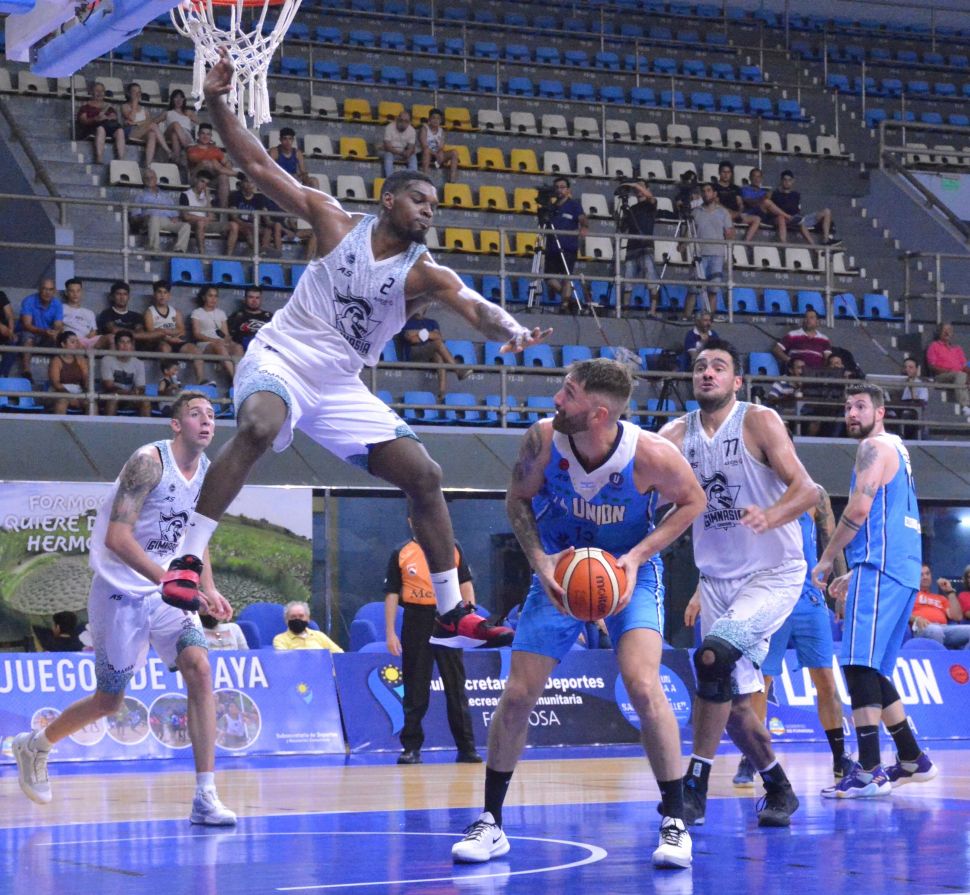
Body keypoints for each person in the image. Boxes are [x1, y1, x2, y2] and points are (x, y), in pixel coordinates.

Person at [160, 49, 549, 651]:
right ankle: (187, 559)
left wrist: (512, 330)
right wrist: (215, 101)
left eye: (435, 205)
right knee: (260, 425)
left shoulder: (425, 274)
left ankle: (451, 610)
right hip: (282, 357)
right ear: (389, 200)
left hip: (340, 384)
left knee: (425, 474)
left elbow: (476, 307)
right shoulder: (334, 222)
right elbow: (257, 164)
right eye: (420, 200)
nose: (429, 210)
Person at [452, 358, 706, 869]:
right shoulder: (543, 440)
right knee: (518, 694)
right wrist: (540, 560)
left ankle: (675, 820)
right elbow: (517, 500)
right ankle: (491, 821)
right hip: (560, 574)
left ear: (598, 414)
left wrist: (637, 556)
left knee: (643, 685)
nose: (556, 400)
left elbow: (693, 502)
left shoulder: (651, 455)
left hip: (628, 576)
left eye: (568, 394)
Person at [12, 392, 237, 826]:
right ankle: (36, 744)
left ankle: (205, 796)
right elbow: (117, 538)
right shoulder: (148, 463)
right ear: (176, 425)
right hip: (120, 590)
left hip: (166, 592)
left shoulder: (207, 473)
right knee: (109, 701)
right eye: (195, 414)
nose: (206, 421)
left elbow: (197, 536)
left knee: (199, 667)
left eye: (211, 415)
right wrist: (167, 579)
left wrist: (206, 585)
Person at [658, 339, 817, 827]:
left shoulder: (758, 421)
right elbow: (649, 498)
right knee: (735, 706)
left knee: (712, 657)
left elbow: (808, 490)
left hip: (773, 572)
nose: (707, 373)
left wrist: (771, 515)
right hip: (716, 581)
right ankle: (780, 788)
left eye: (719, 366)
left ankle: (695, 787)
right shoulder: (673, 435)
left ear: (737, 380)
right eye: (700, 366)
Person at [812, 384, 938, 796]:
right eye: (847, 406)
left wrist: (829, 558)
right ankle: (912, 757)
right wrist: (858, 570)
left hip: (883, 568)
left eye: (861, 406)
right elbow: (887, 517)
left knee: (856, 664)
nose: (851, 413)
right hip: (900, 567)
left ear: (880, 412)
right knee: (874, 669)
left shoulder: (873, 447)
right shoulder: (899, 450)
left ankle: (869, 771)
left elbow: (860, 509)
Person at [720, 483, 852, 786]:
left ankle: (840, 757)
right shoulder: (755, 489)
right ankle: (752, 756)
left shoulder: (816, 493)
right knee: (761, 683)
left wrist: (841, 593)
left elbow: (832, 540)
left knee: (826, 681)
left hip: (809, 599)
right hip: (770, 596)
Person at [384, 520, 481, 765]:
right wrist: (390, 633)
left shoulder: (451, 547)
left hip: (449, 616)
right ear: (411, 522)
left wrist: (469, 619)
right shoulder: (401, 552)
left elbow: (465, 583)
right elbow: (392, 594)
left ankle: (467, 748)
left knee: (455, 686)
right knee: (415, 687)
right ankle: (411, 748)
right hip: (416, 620)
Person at [685, 183, 734, 320]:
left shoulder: (723, 213)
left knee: (713, 290)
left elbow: (729, 234)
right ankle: (686, 316)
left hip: (717, 255)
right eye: (703, 191)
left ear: (715, 193)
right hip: (699, 255)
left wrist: (730, 254)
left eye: (708, 190)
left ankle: (709, 320)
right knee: (693, 289)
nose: (706, 193)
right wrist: (682, 245)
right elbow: (689, 232)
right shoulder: (696, 212)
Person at [143, 280, 204, 382]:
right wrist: (170, 335)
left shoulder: (175, 312)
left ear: (169, 295)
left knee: (195, 350)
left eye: (165, 292)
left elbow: (182, 331)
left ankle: (201, 381)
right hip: (158, 342)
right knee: (165, 348)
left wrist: (163, 331)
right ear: (154, 294)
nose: (162, 295)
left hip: (175, 341)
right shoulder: (149, 312)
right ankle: (171, 382)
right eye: (159, 292)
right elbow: (152, 333)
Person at [543, 177, 588, 315]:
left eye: (562, 187)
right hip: (552, 246)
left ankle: (564, 305)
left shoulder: (574, 205)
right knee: (548, 278)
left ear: (568, 190)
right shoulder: (551, 207)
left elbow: (583, 220)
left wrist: (584, 228)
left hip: (568, 246)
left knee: (566, 276)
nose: (559, 190)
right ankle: (572, 300)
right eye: (557, 187)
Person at [400, 314, 470, 402]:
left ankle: (442, 391)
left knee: (438, 356)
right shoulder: (407, 322)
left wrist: (418, 333)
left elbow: (438, 336)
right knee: (438, 343)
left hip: (429, 357)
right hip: (414, 354)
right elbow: (412, 339)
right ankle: (457, 370)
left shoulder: (432, 322)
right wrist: (429, 335)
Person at [617, 179, 659, 316]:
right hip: (632, 247)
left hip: (646, 247)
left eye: (641, 187)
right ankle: (625, 310)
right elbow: (623, 228)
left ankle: (652, 310)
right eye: (636, 189)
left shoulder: (650, 204)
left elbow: (651, 197)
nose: (638, 190)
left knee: (651, 279)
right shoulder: (632, 208)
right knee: (628, 280)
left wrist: (634, 185)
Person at [131, 167, 191, 255]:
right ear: (143, 181)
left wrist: (175, 217)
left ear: (156, 179)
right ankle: (154, 250)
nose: (149, 179)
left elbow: (175, 214)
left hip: (166, 221)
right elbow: (134, 218)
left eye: (152, 177)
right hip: (150, 220)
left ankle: (179, 251)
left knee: (186, 226)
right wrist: (144, 218)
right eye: (147, 178)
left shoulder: (165, 196)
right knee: (154, 217)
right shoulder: (140, 196)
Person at [909, 563, 970, 649]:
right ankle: (941, 657)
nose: (925, 577)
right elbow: (901, 613)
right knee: (936, 630)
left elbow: (957, 617)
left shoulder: (940, 598)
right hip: (923, 627)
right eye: (921, 575)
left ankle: (963, 657)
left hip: (944, 628)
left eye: (927, 574)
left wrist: (950, 592)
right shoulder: (911, 596)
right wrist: (916, 619)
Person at [771, 170, 839, 246]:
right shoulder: (776, 194)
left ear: (793, 181)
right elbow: (774, 211)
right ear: (781, 181)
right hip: (785, 218)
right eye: (785, 180)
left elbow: (797, 210)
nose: (787, 182)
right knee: (783, 218)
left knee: (827, 211)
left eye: (789, 180)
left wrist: (799, 217)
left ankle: (826, 240)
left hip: (797, 218)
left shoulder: (796, 195)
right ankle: (784, 244)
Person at [191, 285, 243, 382]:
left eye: (215, 296)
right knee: (219, 346)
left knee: (238, 347)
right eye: (210, 296)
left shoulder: (221, 313)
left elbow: (225, 334)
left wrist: (229, 342)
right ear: (204, 297)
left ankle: (240, 375)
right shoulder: (197, 313)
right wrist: (214, 340)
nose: (213, 299)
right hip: (205, 344)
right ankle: (236, 380)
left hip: (221, 343)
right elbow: (197, 334)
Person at [17, 277, 63, 379]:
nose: (47, 292)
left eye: (50, 289)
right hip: (30, 333)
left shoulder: (57, 304)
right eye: (45, 289)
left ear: (54, 291)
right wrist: (44, 331)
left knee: (59, 338)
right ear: (39, 289)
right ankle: (26, 372)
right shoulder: (29, 301)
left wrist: (56, 331)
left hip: (46, 335)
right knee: (28, 337)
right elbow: (27, 325)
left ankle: (58, 376)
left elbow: (58, 324)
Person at [226, 172, 279, 255]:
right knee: (248, 231)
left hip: (254, 225)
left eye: (252, 182)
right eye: (247, 182)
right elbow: (234, 216)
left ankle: (263, 251)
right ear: (242, 183)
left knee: (267, 231)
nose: (249, 185)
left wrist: (273, 224)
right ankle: (256, 252)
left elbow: (266, 216)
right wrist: (245, 224)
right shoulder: (235, 195)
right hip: (240, 225)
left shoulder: (260, 198)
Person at [186, 123, 234, 211]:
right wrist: (215, 164)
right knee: (206, 163)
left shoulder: (216, 150)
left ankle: (224, 212)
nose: (205, 136)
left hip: (212, 180)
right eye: (203, 133)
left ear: (211, 136)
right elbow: (199, 162)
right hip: (196, 179)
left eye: (208, 134)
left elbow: (227, 163)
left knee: (223, 177)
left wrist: (225, 167)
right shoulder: (192, 149)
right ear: (198, 134)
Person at [101, 329, 150, 417]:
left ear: (132, 345)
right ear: (116, 345)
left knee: (145, 401)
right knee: (113, 398)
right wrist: (129, 393)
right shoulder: (107, 359)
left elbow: (141, 386)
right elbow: (109, 386)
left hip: (130, 397)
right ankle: (109, 426)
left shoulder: (138, 363)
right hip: (112, 395)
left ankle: (146, 426)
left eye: (128, 342)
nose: (125, 345)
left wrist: (138, 391)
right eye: (122, 342)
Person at [120, 82, 170, 167]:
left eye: (139, 92)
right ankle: (168, 151)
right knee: (152, 126)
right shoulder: (125, 106)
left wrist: (137, 123)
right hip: (131, 131)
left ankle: (148, 164)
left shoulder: (144, 109)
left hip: (141, 131)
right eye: (134, 92)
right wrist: (134, 104)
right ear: (129, 93)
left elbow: (148, 122)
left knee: (152, 134)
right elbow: (131, 118)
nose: (137, 94)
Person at [925, 322, 970, 415]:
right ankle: (965, 406)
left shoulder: (957, 348)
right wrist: (949, 371)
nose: (947, 333)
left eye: (949, 330)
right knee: (960, 375)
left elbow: (964, 366)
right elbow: (931, 366)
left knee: (963, 375)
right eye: (944, 330)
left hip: (958, 375)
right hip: (942, 376)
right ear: (939, 332)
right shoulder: (934, 346)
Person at [76, 81, 125, 164]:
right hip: (93, 128)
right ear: (92, 92)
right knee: (101, 129)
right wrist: (95, 119)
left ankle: (121, 160)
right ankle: (99, 159)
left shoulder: (109, 107)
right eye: (97, 91)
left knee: (120, 131)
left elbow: (114, 117)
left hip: (108, 127)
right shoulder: (85, 107)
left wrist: (107, 117)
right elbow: (83, 120)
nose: (99, 93)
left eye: (102, 91)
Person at [739, 168, 791, 242]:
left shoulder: (763, 192)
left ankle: (783, 243)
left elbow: (772, 207)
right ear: (750, 178)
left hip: (764, 216)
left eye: (759, 177)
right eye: (754, 176)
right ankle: (788, 216)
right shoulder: (745, 189)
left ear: (761, 179)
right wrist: (764, 198)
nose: (756, 179)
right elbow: (750, 202)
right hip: (750, 213)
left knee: (780, 217)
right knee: (766, 202)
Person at [712, 160, 760, 239]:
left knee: (757, 219)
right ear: (719, 173)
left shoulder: (736, 188)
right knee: (729, 221)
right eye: (724, 172)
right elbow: (716, 203)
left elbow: (740, 203)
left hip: (736, 214)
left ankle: (746, 242)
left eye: (728, 172)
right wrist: (730, 213)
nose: (726, 175)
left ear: (731, 174)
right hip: (722, 214)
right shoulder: (714, 187)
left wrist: (739, 212)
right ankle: (730, 245)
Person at [48, 330, 91, 415]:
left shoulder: (81, 359)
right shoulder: (56, 360)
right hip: (59, 393)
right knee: (62, 401)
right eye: (72, 342)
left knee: (91, 403)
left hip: (78, 392)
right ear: (63, 344)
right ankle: (58, 423)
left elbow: (86, 378)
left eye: (77, 342)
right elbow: (56, 383)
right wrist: (69, 396)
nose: (76, 344)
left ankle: (91, 424)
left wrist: (85, 393)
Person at [96, 280, 151, 346]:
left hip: (134, 348)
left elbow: (140, 332)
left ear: (128, 297)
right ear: (112, 297)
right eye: (118, 294)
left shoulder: (136, 316)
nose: (122, 297)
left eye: (125, 294)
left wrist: (137, 334)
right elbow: (113, 330)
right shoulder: (106, 314)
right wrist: (135, 333)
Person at [272, 601, 343, 651]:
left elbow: (339, 654)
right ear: (286, 620)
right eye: (293, 617)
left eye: (301, 616)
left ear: (308, 618)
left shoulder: (319, 635)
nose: (297, 619)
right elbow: (284, 661)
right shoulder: (280, 639)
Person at [180, 170, 222, 252]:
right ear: (196, 180)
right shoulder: (185, 195)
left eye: (206, 184)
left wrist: (207, 198)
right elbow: (186, 216)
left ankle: (229, 257)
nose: (204, 185)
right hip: (193, 223)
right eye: (202, 181)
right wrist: (204, 219)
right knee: (200, 223)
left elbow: (212, 217)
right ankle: (202, 254)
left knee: (233, 226)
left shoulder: (208, 197)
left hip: (207, 223)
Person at [61, 277, 108, 350]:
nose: (75, 294)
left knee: (111, 338)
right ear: (66, 293)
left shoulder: (89, 312)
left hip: (88, 340)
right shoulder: (61, 308)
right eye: (72, 291)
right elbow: (58, 327)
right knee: (75, 342)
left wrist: (87, 339)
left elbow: (93, 331)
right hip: (72, 340)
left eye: (78, 291)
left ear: (81, 292)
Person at [418, 108, 459, 183]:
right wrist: (436, 154)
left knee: (454, 153)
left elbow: (441, 147)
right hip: (424, 154)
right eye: (433, 118)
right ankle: (425, 178)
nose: (436, 120)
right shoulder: (424, 129)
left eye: (438, 118)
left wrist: (440, 152)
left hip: (436, 156)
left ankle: (452, 180)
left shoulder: (441, 131)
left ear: (440, 121)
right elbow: (424, 146)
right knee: (427, 151)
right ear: (429, 119)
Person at [228, 286, 274, 350]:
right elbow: (229, 338)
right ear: (245, 299)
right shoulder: (236, 316)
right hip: (245, 349)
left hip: (265, 347)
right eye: (251, 297)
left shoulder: (269, 316)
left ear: (261, 300)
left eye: (257, 298)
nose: (254, 301)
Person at [164, 89, 199, 163]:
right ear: (172, 99)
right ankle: (188, 149)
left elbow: (199, 124)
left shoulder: (188, 113)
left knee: (175, 135)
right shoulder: (167, 113)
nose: (179, 100)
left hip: (185, 134)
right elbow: (153, 122)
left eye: (181, 98)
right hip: (169, 132)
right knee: (175, 124)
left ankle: (176, 160)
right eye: (176, 97)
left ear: (183, 100)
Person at [382, 109, 418, 178]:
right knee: (388, 156)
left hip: (404, 152)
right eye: (401, 120)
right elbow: (387, 146)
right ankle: (390, 178)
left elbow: (411, 147)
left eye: (406, 121)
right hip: (391, 151)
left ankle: (411, 179)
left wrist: (408, 152)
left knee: (413, 157)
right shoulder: (389, 127)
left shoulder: (412, 130)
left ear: (409, 122)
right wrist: (400, 153)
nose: (403, 123)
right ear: (397, 119)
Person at [0, 288, 16, 376]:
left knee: (13, 342)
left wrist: (11, 331)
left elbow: (10, 315)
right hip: (1, 328)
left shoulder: (1, 294)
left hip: (4, 331)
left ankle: (2, 375)